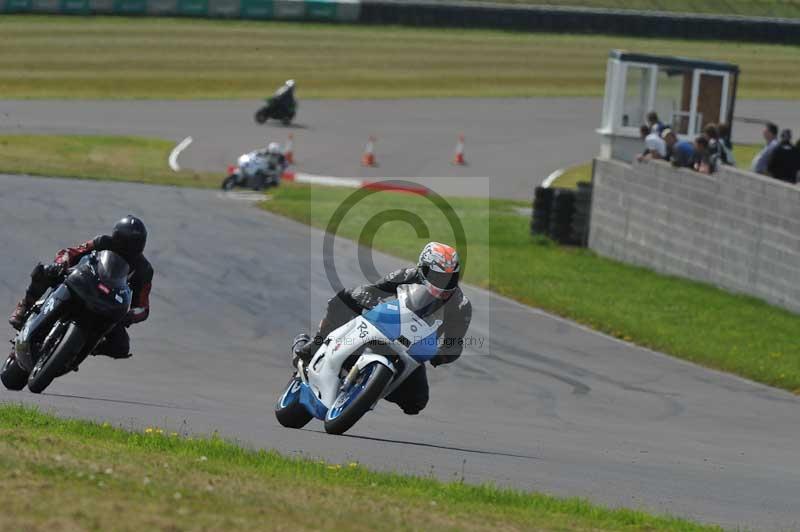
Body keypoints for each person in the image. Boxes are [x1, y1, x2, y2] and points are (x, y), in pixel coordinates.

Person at [291, 242, 472, 415]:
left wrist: (442, 354)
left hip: (413, 347)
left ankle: (368, 389)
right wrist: (365, 297)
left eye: (450, 277)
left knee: (416, 403)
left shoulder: (461, 305)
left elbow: (455, 342)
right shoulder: (406, 275)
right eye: (437, 276)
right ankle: (315, 344)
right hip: (386, 327)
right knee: (345, 298)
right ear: (422, 268)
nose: (443, 282)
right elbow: (374, 289)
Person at [8, 215, 153, 360]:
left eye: (133, 243)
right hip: (83, 282)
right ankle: (25, 305)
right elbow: (72, 252)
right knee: (44, 271)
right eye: (124, 241)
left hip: (109, 305)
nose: (127, 247)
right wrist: (62, 262)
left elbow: (143, 307)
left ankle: (81, 348)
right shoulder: (102, 241)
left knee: (121, 347)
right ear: (116, 236)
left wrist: (130, 316)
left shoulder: (144, 270)